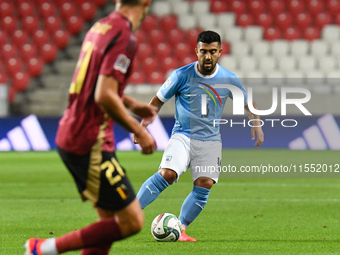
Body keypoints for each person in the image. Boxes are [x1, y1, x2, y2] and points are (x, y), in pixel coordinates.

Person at [24, 0, 156, 254]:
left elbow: (96, 83)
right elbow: (104, 96)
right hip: (89, 140)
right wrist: (138, 129)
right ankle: (43, 248)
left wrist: (132, 104)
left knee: (106, 226)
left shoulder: (101, 26)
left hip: (72, 131)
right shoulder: (125, 37)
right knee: (131, 221)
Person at [135, 30, 264, 242]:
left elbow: (249, 103)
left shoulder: (229, 79)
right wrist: (142, 127)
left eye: (212, 52)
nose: (207, 56)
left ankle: (181, 228)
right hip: (183, 136)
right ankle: (129, 213)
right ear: (196, 51)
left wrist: (257, 124)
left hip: (211, 141)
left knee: (204, 183)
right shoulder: (181, 75)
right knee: (167, 173)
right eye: (203, 51)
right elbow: (156, 102)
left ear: (220, 52)